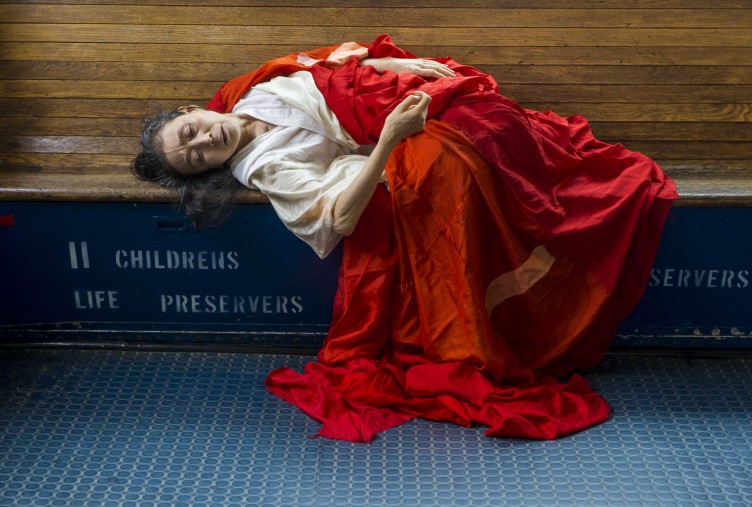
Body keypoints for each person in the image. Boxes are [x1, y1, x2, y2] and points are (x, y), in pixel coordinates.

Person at [133, 35, 678, 442]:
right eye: (198, 154)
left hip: (401, 99)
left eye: (191, 131)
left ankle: (559, 187)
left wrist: (387, 64)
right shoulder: (267, 168)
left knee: (490, 120)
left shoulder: (250, 91)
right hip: (395, 139)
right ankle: (558, 240)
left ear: (190, 110)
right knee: (463, 148)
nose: (207, 139)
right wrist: (391, 137)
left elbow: (328, 69)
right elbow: (335, 219)